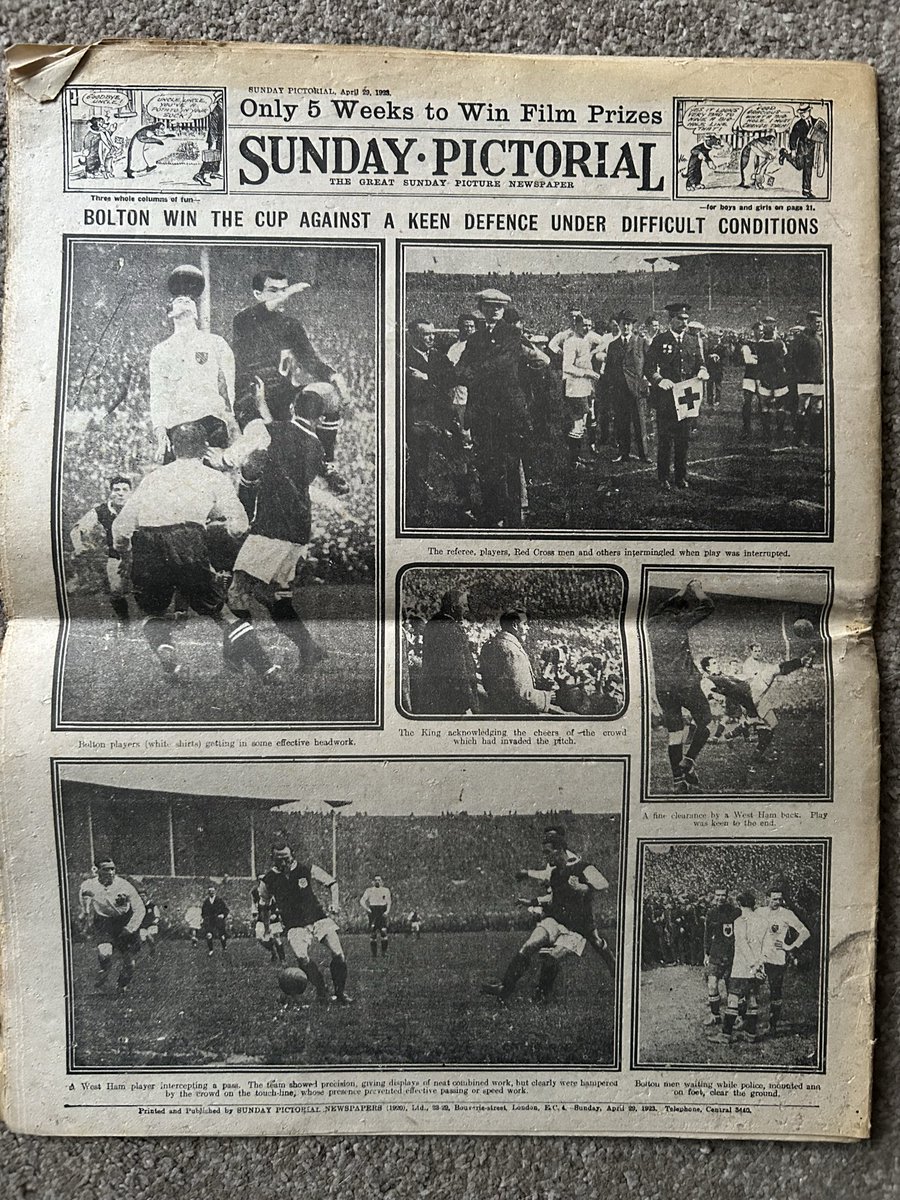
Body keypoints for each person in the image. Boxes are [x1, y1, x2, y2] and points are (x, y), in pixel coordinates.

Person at [111, 420, 277, 680]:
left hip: (147, 543)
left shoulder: (153, 478)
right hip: (187, 540)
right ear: (205, 449)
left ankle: (168, 656)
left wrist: (124, 553)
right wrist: (219, 528)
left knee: (154, 612)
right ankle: (266, 668)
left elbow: (122, 526)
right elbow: (239, 524)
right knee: (221, 613)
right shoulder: (213, 478)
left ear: (174, 448)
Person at [223, 380, 327, 671]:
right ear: (319, 417)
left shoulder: (274, 432)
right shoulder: (316, 445)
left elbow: (256, 442)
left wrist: (220, 459)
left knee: (237, 590)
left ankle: (236, 653)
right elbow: (280, 435)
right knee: (273, 595)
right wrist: (260, 405)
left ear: (293, 407)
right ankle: (309, 649)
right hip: (298, 528)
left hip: (273, 526)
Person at [231, 268, 350, 494]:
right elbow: (249, 366)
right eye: (273, 290)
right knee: (262, 455)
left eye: (284, 290)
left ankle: (327, 464)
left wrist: (334, 376)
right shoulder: (244, 320)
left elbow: (310, 360)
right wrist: (289, 292)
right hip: (251, 395)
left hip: (283, 395)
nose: (282, 295)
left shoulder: (291, 325)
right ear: (257, 294)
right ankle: (246, 501)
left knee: (327, 392)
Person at [481, 828, 611, 1003]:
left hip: (577, 929)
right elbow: (554, 898)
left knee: (552, 958)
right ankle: (505, 988)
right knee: (530, 945)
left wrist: (583, 887)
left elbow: (603, 884)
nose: (545, 858)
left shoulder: (583, 867)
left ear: (560, 850)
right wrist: (532, 902)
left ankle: (541, 996)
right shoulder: (555, 873)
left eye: (547, 853)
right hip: (556, 921)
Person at [454, 289, 545, 527]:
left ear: (503, 310)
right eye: (489, 306)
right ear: (481, 308)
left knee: (510, 464)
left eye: (498, 307)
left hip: (508, 413)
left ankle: (514, 515)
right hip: (483, 412)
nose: (494, 310)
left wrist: (474, 373)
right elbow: (460, 369)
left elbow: (499, 364)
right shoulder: (474, 339)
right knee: (486, 464)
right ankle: (492, 514)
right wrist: (472, 373)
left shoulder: (513, 335)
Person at [258, 840, 352, 1005]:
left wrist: (335, 904)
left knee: (338, 954)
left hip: (317, 917)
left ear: (292, 855)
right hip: (294, 924)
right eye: (278, 859)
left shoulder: (307, 869)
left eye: (286, 858)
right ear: (272, 858)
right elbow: (264, 906)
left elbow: (332, 883)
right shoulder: (268, 879)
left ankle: (340, 993)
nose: (283, 862)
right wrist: (266, 930)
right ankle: (322, 990)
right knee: (302, 958)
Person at [647, 579, 715, 792]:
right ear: (678, 612)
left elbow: (668, 604)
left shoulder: (650, 624)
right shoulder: (679, 622)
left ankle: (678, 781)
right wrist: (697, 590)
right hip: (685, 683)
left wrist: (682, 591)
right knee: (708, 724)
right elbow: (708, 607)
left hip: (664, 687)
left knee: (675, 734)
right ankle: (689, 761)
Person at [149, 293, 235, 459]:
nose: (186, 300)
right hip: (177, 426)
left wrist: (233, 424)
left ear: (196, 313)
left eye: (190, 300)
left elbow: (233, 384)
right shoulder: (161, 351)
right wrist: (161, 433)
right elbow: (158, 395)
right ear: (170, 313)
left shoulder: (216, 343)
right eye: (179, 300)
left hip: (211, 423)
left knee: (211, 479)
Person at [644, 301, 708, 490]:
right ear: (671, 319)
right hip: (666, 397)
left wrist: (703, 370)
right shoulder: (660, 340)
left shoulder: (692, 339)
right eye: (680, 319)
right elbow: (648, 367)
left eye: (686, 319)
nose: (684, 323)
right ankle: (663, 477)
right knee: (665, 439)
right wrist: (659, 380)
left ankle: (681, 476)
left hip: (687, 396)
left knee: (684, 440)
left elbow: (699, 362)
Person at [70, 475, 133, 625]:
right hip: (116, 556)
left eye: (125, 490)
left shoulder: (136, 507)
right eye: (116, 489)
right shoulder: (102, 510)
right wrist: (78, 546)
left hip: (139, 556)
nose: (120, 493)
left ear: (131, 492)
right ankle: (124, 623)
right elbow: (76, 530)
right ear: (110, 492)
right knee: (116, 590)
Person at [79, 856, 145, 992]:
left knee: (130, 964)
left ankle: (121, 986)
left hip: (124, 921)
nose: (110, 873)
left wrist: (131, 927)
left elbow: (140, 908)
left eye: (112, 869)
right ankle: (105, 968)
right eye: (106, 869)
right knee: (104, 952)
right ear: (97, 871)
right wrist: (86, 911)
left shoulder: (124, 886)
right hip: (104, 922)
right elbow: (84, 900)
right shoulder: (88, 885)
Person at [739, 639, 816, 756]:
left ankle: (757, 753)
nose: (758, 653)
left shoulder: (762, 663)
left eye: (760, 651)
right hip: (752, 696)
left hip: (760, 698)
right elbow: (751, 679)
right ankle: (801, 661)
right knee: (773, 670)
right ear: (751, 652)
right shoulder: (748, 664)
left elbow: (777, 669)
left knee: (772, 724)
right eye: (756, 651)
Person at [479, 611, 564, 716]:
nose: (528, 628)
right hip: (515, 714)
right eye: (525, 624)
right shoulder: (511, 650)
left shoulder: (491, 645)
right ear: (515, 625)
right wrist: (547, 696)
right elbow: (520, 695)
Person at [709, 890, 766, 1045]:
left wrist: (753, 965)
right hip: (759, 966)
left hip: (742, 966)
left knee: (733, 999)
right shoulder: (762, 921)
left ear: (740, 904)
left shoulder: (740, 921)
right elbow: (765, 945)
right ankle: (750, 1034)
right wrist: (760, 965)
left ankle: (725, 1035)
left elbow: (742, 944)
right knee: (752, 999)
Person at [417, 588, 478, 715]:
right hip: (455, 701)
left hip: (436, 696)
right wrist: (470, 703)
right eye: (464, 605)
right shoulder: (452, 629)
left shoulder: (432, 623)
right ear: (453, 608)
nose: (467, 609)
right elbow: (459, 671)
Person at [760, 884, 811, 1035]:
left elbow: (805, 932)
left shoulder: (787, 914)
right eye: (774, 899)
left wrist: (790, 946)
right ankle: (746, 1022)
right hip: (759, 958)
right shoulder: (760, 912)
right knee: (750, 990)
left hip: (777, 959)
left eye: (780, 899)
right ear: (767, 898)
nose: (777, 902)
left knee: (775, 992)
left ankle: (773, 1025)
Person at [605, 310, 648, 462]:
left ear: (632, 326)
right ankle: (624, 453)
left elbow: (648, 365)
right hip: (620, 389)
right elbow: (609, 369)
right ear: (619, 325)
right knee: (621, 422)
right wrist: (611, 387)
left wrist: (645, 383)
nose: (626, 327)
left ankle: (644, 454)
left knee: (639, 422)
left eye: (629, 324)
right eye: (623, 324)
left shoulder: (640, 342)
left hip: (636, 388)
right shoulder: (612, 345)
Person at [561, 315, 602, 466]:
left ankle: (576, 457)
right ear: (576, 325)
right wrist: (587, 373)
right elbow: (567, 367)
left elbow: (603, 342)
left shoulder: (585, 341)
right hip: (574, 387)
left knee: (582, 422)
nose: (587, 328)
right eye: (584, 325)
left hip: (585, 386)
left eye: (590, 325)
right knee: (577, 423)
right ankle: (573, 461)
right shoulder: (570, 342)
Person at [703, 885, 740, 1027]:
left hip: (732, 954)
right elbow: (707, 934)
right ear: (714, 896)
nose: (720, 898)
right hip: (716, 954)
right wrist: (706, 953)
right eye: (717, 895)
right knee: (712, 985)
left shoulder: (735, 912)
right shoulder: (711, 913)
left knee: (733, 988)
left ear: (727, 896)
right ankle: (715, 1015)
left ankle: (738, 1017)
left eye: (723, 895)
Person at [789, 309, 825, 446]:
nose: (818, 325)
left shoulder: (821, 338)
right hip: (805, 379)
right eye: (816, 323)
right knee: (802, 407)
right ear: (808, 322)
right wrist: (800, 374)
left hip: (819, 378)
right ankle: (798, 439)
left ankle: (814, 439)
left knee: (817, 407)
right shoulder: (801, 338)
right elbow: (794, 359)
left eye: (820, 323)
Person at [755, 316, 789, 441]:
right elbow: (785, 354)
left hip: (769, 376)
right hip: (775, 376)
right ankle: (775, 433)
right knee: (774, 405)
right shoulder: (778, 343)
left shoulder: (760, 344)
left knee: (768, 405)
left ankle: (768, 434)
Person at [780, 104, 816, 198]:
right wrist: (792, 150)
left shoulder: (816, 122)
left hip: (811, 150)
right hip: (801, 150)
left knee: (808, 169)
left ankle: (806, 190)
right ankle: (784, 154)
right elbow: (793, 137)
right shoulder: (798, 124)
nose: (802, 114)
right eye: (801, 113)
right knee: (799, 166)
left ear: (809, 111)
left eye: (804, 112)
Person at [252, 877, 286, 963]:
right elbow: (254, 903)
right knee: (259, 938)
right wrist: (254, 914)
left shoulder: (274, 890)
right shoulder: (255, 891)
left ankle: (283, 959)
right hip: (262, 918)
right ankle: (273, 952)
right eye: (260, 880)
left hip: (273, 917)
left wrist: (276, 913)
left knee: (276, 938)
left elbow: (280, 903)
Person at [360, 875, 392, 959]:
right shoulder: (369, 890)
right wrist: (367, 909)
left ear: (382, 881)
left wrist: (387, 911)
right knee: (373, 933)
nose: (377, 881)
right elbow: (362, 901)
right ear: (373, 882)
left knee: (383, 932)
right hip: (373, 911)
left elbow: (389, 902)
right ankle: (374, 955)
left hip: (382, 910)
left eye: (379, 880)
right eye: (375, 880)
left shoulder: (386, 890)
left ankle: (384, 953)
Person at [739, 322, 762, 436]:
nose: (761, 333)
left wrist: (756, 358)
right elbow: (748, 360)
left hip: (762, 377)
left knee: (763, 403)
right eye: (759, 330)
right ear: (754, 331)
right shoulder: (748, 344)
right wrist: (762, 360)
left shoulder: (766, 344)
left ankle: (764, 429)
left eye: (763, 330)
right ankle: (746, 427)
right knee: (747, 402)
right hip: (750, 377)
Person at [200, 885, 229, 955]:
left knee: (222, 936)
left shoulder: (219, 900)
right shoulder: (206, 901)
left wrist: (223, 915)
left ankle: (224, 948)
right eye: (210, 891)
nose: (211, 892)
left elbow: (226, 910)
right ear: (208, 892)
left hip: (218, 920)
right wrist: (204, 918)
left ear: (215, 892)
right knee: (209, 935)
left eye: (213, 891)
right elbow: (203, 912)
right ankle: (211, 950)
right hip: (210, 920)